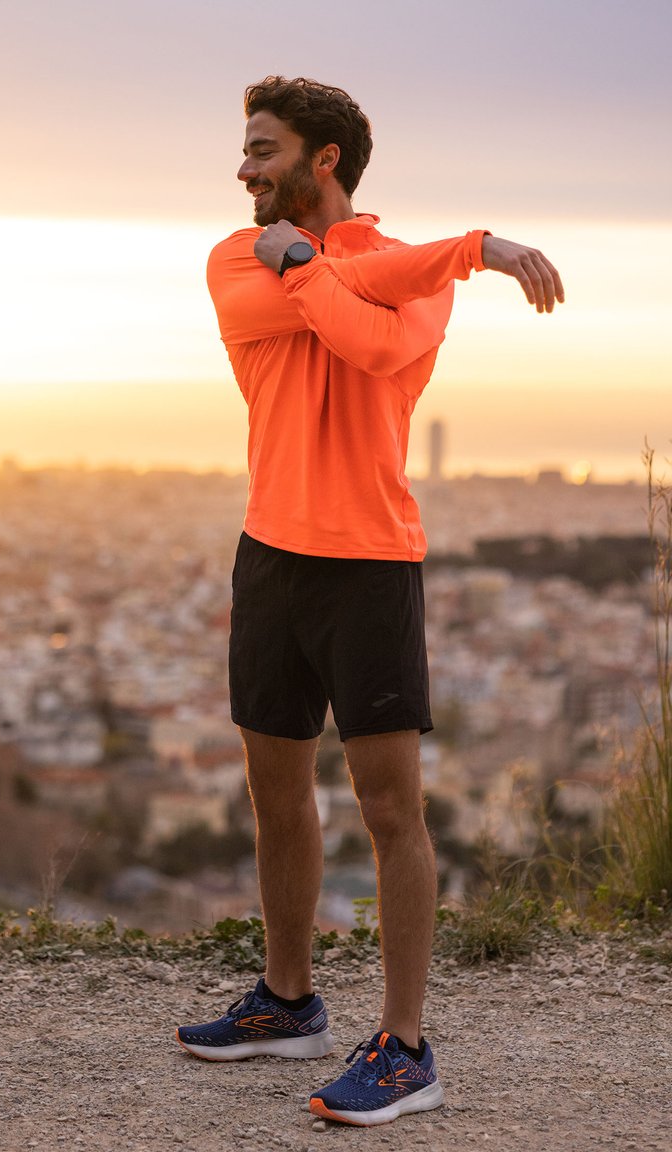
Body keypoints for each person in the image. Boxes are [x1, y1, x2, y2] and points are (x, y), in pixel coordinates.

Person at [176, 75, 563, 1127]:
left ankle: (403, 1048)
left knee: (390, 807)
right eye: (244, 150)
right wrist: (460, 251)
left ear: (323, 160)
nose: (243, 169)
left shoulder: (390, 272)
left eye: (261, 150)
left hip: (369, 561)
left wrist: (342, 264)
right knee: (272, 787)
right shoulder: (231, 256)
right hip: (271, 554)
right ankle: (288, 1002)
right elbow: (354, 310)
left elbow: (379, 344)